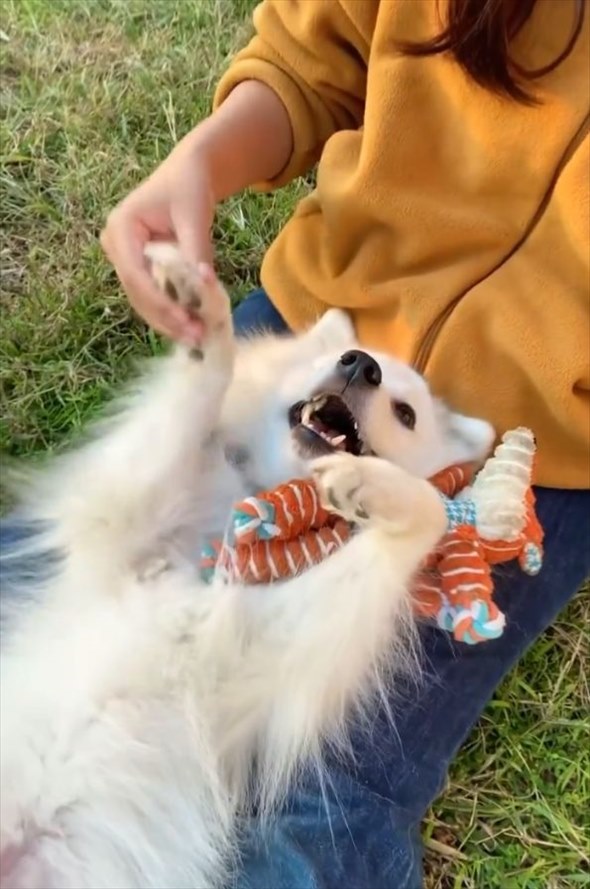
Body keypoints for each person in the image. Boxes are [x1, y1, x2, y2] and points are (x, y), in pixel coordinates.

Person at [85, 0, 590, 885]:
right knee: (74, 577)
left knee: (327, 791)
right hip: (320, 329)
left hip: (520, 456)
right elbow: (313, 54)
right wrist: (204, 157)